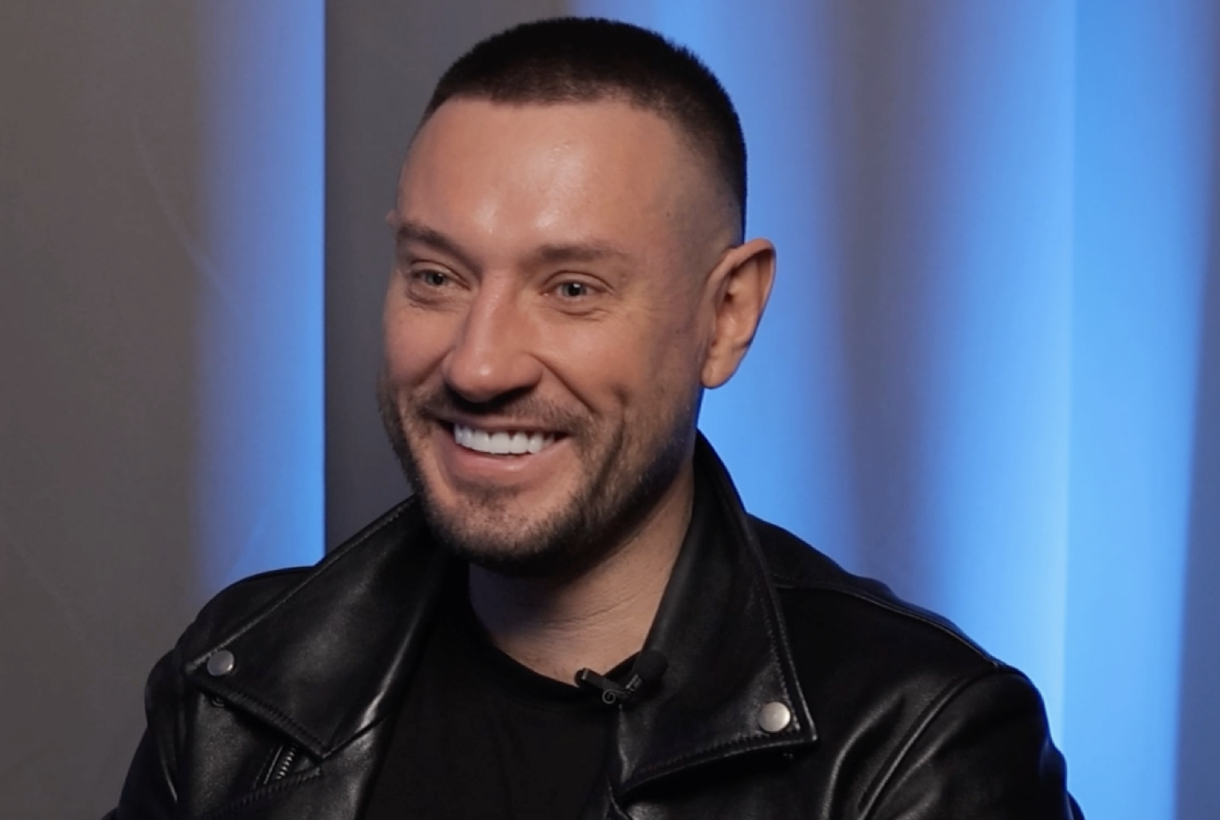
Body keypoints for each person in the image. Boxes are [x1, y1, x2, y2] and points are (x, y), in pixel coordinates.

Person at [108, 17, 1081, 820]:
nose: (479, 364)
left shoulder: (916, 746)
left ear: (726, 315)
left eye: (571, 288)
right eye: (436, 276)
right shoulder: (241, 678)